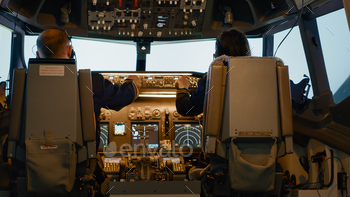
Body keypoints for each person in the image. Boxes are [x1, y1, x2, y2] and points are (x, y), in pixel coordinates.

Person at [36, 28, 141, 191]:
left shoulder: (23, 86)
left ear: (37, 55)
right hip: (79, 169)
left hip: (34, 169)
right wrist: (133, 81)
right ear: (70, 50)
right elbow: (124, 96)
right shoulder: (91, 83)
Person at [176, 29, 251, 116]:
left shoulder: (212, 81)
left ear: (217, 56)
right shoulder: (254, 78)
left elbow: (186, 109)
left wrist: (183, 88)